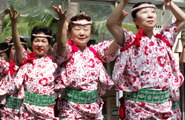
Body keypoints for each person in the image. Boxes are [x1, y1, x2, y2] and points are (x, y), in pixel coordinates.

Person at [106, 0, 185, 119]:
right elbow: (110, 24)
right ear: (135, 21)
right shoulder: (129, 41)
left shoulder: (164, 39)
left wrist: (169, 4)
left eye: (153, 11)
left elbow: (182, 19)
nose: (150, 15)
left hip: (163, 104)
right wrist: (123, 2)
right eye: (144, 12)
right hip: (137, 106)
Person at [51, 5, 124, 119]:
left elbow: (116, 44)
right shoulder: (68, 53)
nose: (82, 33)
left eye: (85, 29)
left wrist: (118, 25)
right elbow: (61, 45)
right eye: (77, 29)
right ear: (69, 33)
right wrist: (61, 21)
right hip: (70, 107)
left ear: (90, 32)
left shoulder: (96, 51)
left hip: (94, 108)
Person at [0, 8, 58, 119]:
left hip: (48, 112)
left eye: (43, 41)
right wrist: (14, 24)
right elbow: (18, 46)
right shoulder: (26, 62)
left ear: (49, 45)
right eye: (36, 40)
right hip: (27, 112)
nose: (40, 44)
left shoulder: (55, 64)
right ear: (31, 43)